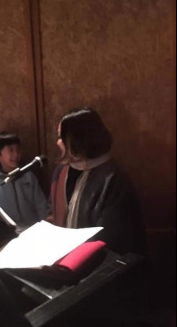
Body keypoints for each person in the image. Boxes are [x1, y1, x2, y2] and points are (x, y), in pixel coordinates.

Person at [50, 107, 146, 255]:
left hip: (98, 262)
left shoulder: (113, 180)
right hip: (65, 257)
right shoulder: (62, 172)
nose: (58, 143)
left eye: (62, 138)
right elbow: (55, 214)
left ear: (79, 141)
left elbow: (111, 240)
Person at [0, 131, 50, 232]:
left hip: (34, 230)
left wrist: (46, 227)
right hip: (9, 234)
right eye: (11, 150)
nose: (16, 154)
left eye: (18, 149)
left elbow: (41, 206)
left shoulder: (28, 176)